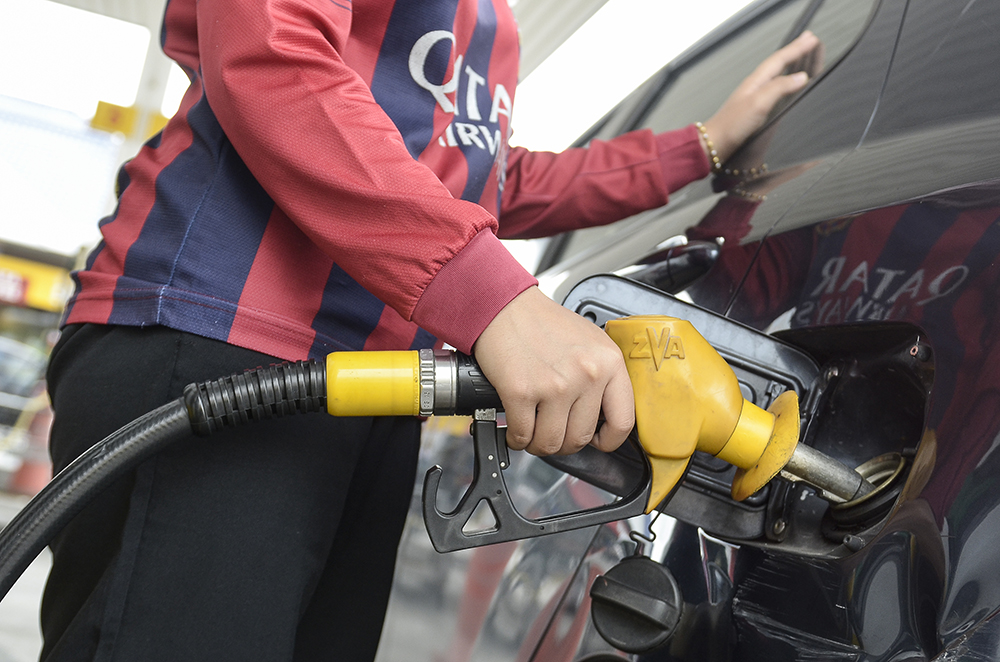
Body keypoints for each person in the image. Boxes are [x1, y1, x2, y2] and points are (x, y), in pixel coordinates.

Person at [39, 0, 819, 659]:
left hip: (367, 393)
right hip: (218, 336)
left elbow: (482, 176)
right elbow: (271, 56)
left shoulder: (489, 19)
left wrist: (703, 144)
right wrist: (497, 302)